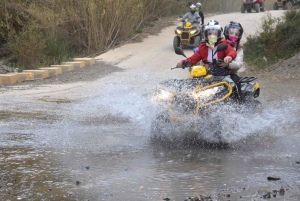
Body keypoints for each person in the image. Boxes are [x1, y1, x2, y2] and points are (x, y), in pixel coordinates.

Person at [220, 21, 244, 100]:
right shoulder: (219, 44)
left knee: (236, 83)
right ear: (227, 33)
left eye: (236, 34)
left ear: (239, 36)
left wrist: (228, 64)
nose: (234, 35)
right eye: (231, 33)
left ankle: (240, 102)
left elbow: (238, 64)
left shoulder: (239, 48)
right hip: (217, 72)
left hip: (232, 74)